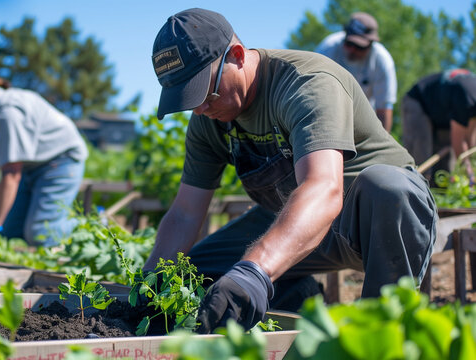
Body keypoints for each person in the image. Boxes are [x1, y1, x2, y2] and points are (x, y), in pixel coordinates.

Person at [147, 8, 437, 333]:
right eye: (189, 99)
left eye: (205, 92)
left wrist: (256, 268)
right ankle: (298, 304)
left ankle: (381, 334)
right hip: (296, 220)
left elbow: (323, 188)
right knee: (194, 277)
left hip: (373, 220)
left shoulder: (307, 85)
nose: (200, 108)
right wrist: (151, 283)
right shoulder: (210, 119)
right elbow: (186, 212)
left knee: (388, 187)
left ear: (237, 56)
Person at [0, 65, 88, 246]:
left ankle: (94, 224)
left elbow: (11, 174)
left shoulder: (8, 114)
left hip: (61, 160)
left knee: (40, 233)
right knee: (9, 231)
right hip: (31, 166)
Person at [315, 12, 397, 132]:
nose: (352, 50)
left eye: (359, 46)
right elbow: (313, 92)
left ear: (371, 44)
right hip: (326, 111)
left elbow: (384, 110)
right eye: (349, 44)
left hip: (363, 117)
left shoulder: (382, 61)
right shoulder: (328, 48)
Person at [401, 69, 476, 184]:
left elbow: (470, 139)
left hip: (444, 114)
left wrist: (471, 167)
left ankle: (438, 198)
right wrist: (470, 174)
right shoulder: (467, 98)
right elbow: (459, 142)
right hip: (419, 102)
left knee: (444, 170)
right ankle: (413, 194)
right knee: (422, 160)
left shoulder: (471, 103)